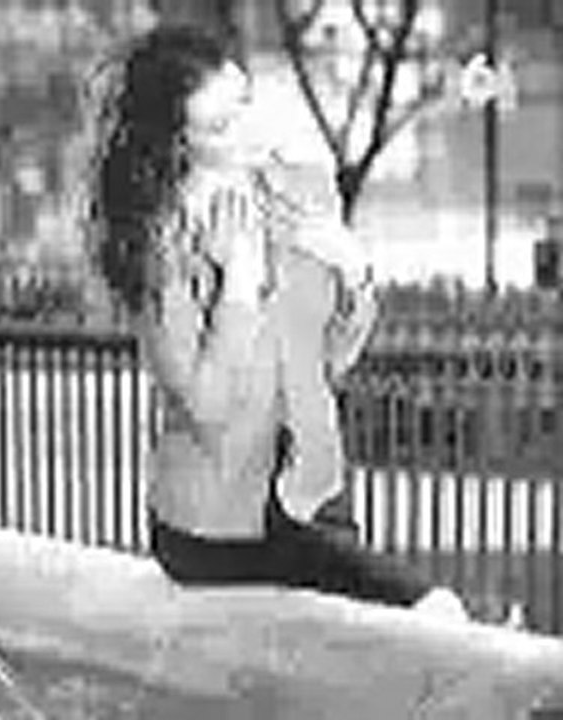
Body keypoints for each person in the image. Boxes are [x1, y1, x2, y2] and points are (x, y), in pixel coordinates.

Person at [86, 25, 466, 617]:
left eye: (244, 105)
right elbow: (208, 409)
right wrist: (240, 284)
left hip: (299, 500)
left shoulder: (274, 200)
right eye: (221, 127)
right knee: (434, 611)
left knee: (414, 623)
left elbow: (327, 365)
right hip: (218, 529)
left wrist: (353, 275)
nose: (247, 136)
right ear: (176, 145)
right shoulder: (162, 251)